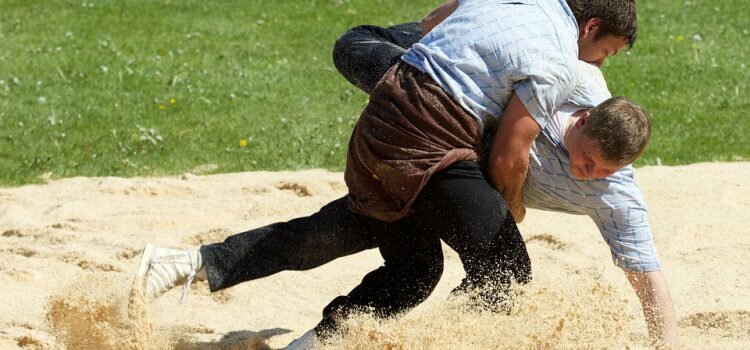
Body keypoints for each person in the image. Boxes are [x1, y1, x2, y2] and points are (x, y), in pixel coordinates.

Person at [133, 0, 674, 348]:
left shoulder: (517, 2)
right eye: (603, 53)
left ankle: (191, 263)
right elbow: (513, 148)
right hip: (432, 136)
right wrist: (509, 206)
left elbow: (438, 20)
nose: (598, 65)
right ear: (591, 27)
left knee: (407, 268)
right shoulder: (561, 57)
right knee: (506, 271)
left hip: (384, 118)